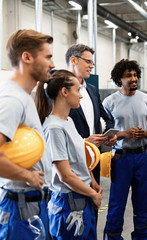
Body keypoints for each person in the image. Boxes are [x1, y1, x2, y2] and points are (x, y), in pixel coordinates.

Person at [0, 29, 54, 239]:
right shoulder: (11, 98)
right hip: (16, 209)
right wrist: (27, 175)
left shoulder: (23, 95)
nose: (52, 64)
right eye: (47, 57)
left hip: (29, 206)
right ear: (27, 57)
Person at [35, 69, 103, 239]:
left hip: (83, 196)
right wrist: (93, 194)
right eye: (77, 90)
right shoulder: (54, 127)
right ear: (64, 92)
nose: (81, 96)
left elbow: (79, 158)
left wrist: (92, 182)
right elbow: (65, 175)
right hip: (69, 203)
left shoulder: (68, 121)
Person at [102, 59, 147, 240]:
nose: (134, 79)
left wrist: (144, 134)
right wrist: (125, 134)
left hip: (143, 157)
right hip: (121, 159)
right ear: (120, 78)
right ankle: (113, 237)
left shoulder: (146, 99)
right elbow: (105, 135)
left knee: (143, 204)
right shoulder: (109, 102)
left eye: (135, 75)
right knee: (117, 204)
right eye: (129, 75)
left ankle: (141, 237)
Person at [65, 44, 117, 187]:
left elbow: (107, 117)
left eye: (92, 63)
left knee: (93, 203)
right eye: (88, 61)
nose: (91, 66)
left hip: (93, 158)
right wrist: (84, 142)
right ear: (74, 60)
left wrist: (109, 134)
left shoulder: (92, 90)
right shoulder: (59, 91)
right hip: (70, 162)